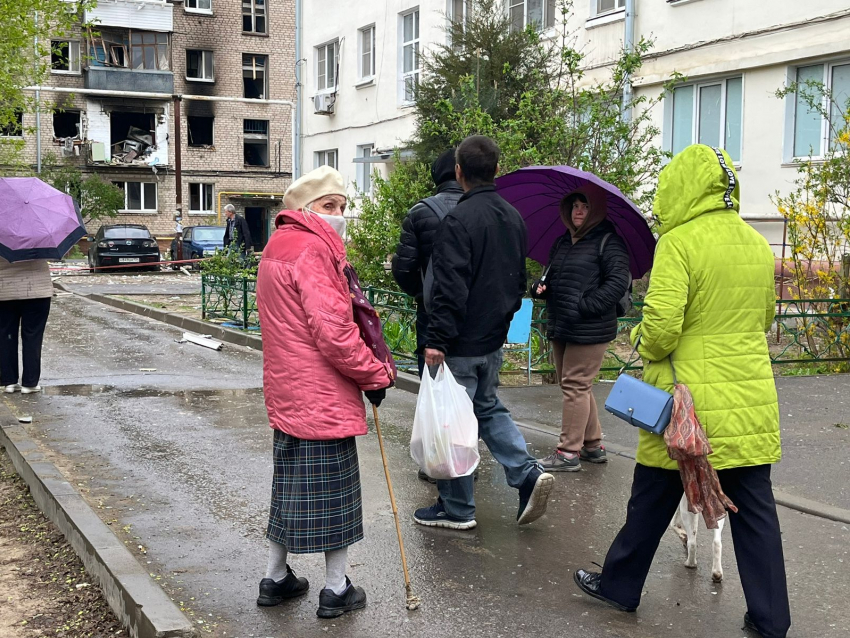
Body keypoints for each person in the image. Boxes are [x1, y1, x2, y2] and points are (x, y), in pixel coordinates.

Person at [573, 145, 790, 638]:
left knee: (650, 497)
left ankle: (620, 587)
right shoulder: (756, 243)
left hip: (684, 405)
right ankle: (771, 618)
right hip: (747, 400)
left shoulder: (678, 243)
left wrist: (643, 341)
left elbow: (664, 328)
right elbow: (765, 319)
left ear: (681, 189)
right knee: (756, 510)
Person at [256, 166, 395, 619]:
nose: (338, 215)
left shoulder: (278, 244)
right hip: (322, 395)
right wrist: (374, 375)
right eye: (328, 206)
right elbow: (335, 333)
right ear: (305, 209)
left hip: (289, 389)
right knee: (334, 497)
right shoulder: (314, 250)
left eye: (342, 206)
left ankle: (276, 579)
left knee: (289, 489)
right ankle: (336, 588)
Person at [414, 135, 554, 530]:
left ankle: (458, 508)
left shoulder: (459, 219)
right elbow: (516, 280)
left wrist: (437, 340)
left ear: (459, 172)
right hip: (492, 337)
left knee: (452, 421)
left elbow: (450, 287)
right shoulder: (513, 217)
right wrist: (503, 322)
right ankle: (527, 473)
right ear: (496, 169)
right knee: (487, 407)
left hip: (458, 341)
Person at [531, 185, 631, 471]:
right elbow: (550, 276)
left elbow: (615, 285)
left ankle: (567, 453)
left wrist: (585, 307)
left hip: (590, 328)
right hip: (562, 324)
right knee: (575, 385)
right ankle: (592, 444)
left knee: (575, 385)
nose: (578, 210)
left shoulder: (609, 242)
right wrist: (539, 288)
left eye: (585, 206)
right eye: (575, 205)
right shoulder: (563, 242)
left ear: (595, 210)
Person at [392, 148, 463, 377]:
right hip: (476, 313)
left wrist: (423, 293)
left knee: (434, 388)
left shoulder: (421, 212)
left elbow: (404, 268)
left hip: (431, 313)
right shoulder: (485, 209)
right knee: (474, 393)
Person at [0, 258, 53, 394]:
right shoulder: (40, 237)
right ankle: (30, 383)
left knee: (6, 337)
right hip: (37, 292)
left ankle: (9, 382)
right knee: (33, 336)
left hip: (5, 292)